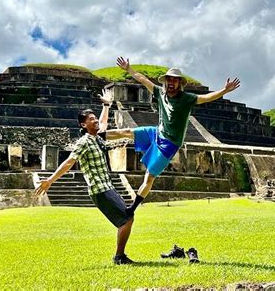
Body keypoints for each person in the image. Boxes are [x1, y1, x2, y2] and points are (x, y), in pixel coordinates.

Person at [106, 57, 241, 216]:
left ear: (179, 83)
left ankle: (132, 209)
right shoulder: (160, 92)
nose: (171, 83)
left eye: (174, 80)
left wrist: (224, 90)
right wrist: (129, 69)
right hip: (157, 132)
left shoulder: (186, 99)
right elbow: (143, 80)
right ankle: (96, 134)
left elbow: (206, 98)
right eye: (169, 79)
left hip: (169, 144)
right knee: (127, 132)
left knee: (149, 177)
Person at [35, 90, 135, 265]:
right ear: (83, 125)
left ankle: (120, 256)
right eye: (90, 119)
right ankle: (119, 257)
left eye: (94, 118)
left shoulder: (96, 138)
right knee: (126, 219)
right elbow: (69, 162)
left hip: (107, 186)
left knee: (127, 218)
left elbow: (103, 123)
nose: (95, 120)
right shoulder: (84, 142)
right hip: (99, 189)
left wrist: (106, 105)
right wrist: (50, 180)